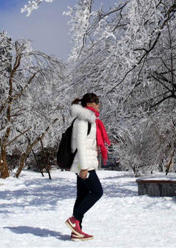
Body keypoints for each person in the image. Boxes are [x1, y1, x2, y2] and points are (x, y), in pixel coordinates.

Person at [65, 93, 110, 242]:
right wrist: (84, 167)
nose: (99, 104)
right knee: (97, 191)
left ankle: (77, 231)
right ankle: (75, 219)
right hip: (83, 164)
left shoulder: (91, 120)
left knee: (82, 195)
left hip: (86, 163)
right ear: (89, 104)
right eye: (97, 102)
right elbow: (81, 145)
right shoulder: (83, 120)